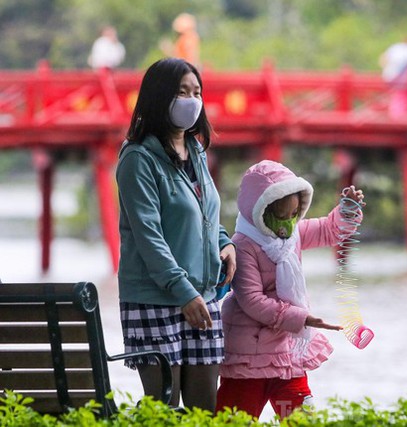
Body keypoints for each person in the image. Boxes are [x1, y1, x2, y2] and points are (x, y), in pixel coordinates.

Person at [116, 57, 236, 411]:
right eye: (181, 92)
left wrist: (224, 242)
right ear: (158, 97)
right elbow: (148, 236)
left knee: (205, 409)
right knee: (164, 408)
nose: (191, 100)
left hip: (204, 294)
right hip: (155, 298)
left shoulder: (195, 149)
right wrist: (183, 293)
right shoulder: (138, 158)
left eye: (196, 91)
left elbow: (205, 211)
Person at [215, 160, 365, 419]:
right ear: (260, 211)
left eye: (294, 214)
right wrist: (302, 318)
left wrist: (347, 210)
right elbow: (252, 300)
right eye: (281, 216)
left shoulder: (292, 234)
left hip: (286, 353)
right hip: (249, 358)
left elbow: (328, 230)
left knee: (301, 419)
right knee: (233, 421)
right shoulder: (244, 244)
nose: (288, 223)